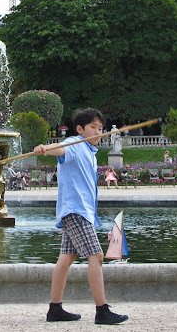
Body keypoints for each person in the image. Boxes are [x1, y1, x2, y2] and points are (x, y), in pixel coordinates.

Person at [33, 108, 128, 325]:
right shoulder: (75, 144)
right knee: (96, 256)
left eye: (100, 128)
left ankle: (55, 309)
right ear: (80, 129)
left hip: (79, 211)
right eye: (93, 127)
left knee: (66, 259)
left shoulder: (90, 151)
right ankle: (102, 311)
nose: (98, 132)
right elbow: (61, 148)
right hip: (76, 211)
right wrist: (45, 148)